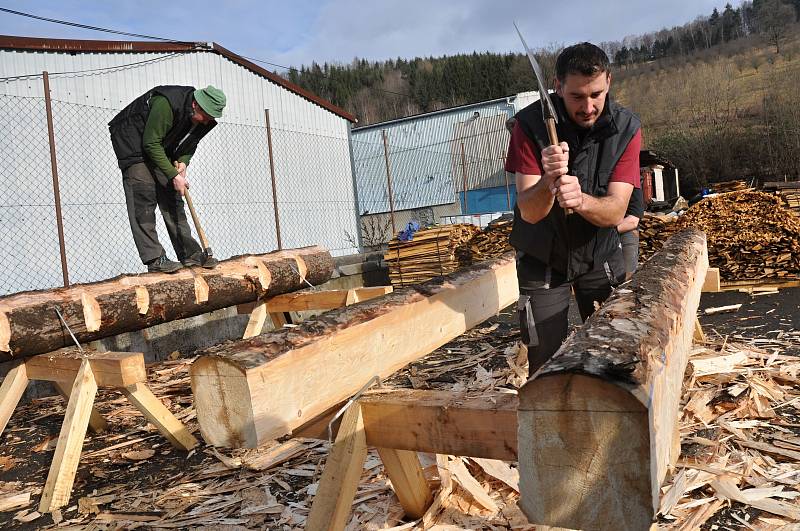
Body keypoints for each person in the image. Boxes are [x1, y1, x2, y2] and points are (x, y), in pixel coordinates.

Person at [505, 42, 642, 373]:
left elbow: (616, 213)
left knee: (613, 350)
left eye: (596, 94)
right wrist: (548, 181)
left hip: (598, 252)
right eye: (577, 97)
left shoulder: (626, 129)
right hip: (542, 255)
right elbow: (530, 211)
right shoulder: (530, 125)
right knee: (544, 360)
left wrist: (579, 200)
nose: (589, 106)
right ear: (558, 87)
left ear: (608, 81)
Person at [109, 85, 226, 273]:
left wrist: (183, 163)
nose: (207, 121)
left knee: (173, 199)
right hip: (133, 142)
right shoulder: (167, 104)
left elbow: (190, 143)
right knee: (143, 197)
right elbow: (150, 143)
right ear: (195, 105)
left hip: (160, 146)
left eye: (212, 117)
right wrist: (173, 175)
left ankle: (190, 254)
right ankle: (155, 259)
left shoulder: (202, 119)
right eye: (207, 116)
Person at [618, 182, 645, 280]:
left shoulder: (632, 181)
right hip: (602, 231)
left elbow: (633, 221)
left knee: (627, 277)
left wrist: (606, 233)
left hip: (626, 229)